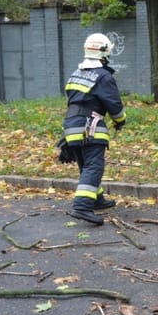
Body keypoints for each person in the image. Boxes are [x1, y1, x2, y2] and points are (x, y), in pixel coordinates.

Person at [62, 33, 127, 225]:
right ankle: (81, 207)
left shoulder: (76, 73)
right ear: (104, 53)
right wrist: (120, 121)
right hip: (89, 126)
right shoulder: (103, 76)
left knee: (86, 165)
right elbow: (114, 104)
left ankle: (97, 200)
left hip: (71, 124)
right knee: (94, 166)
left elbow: (71, 98)